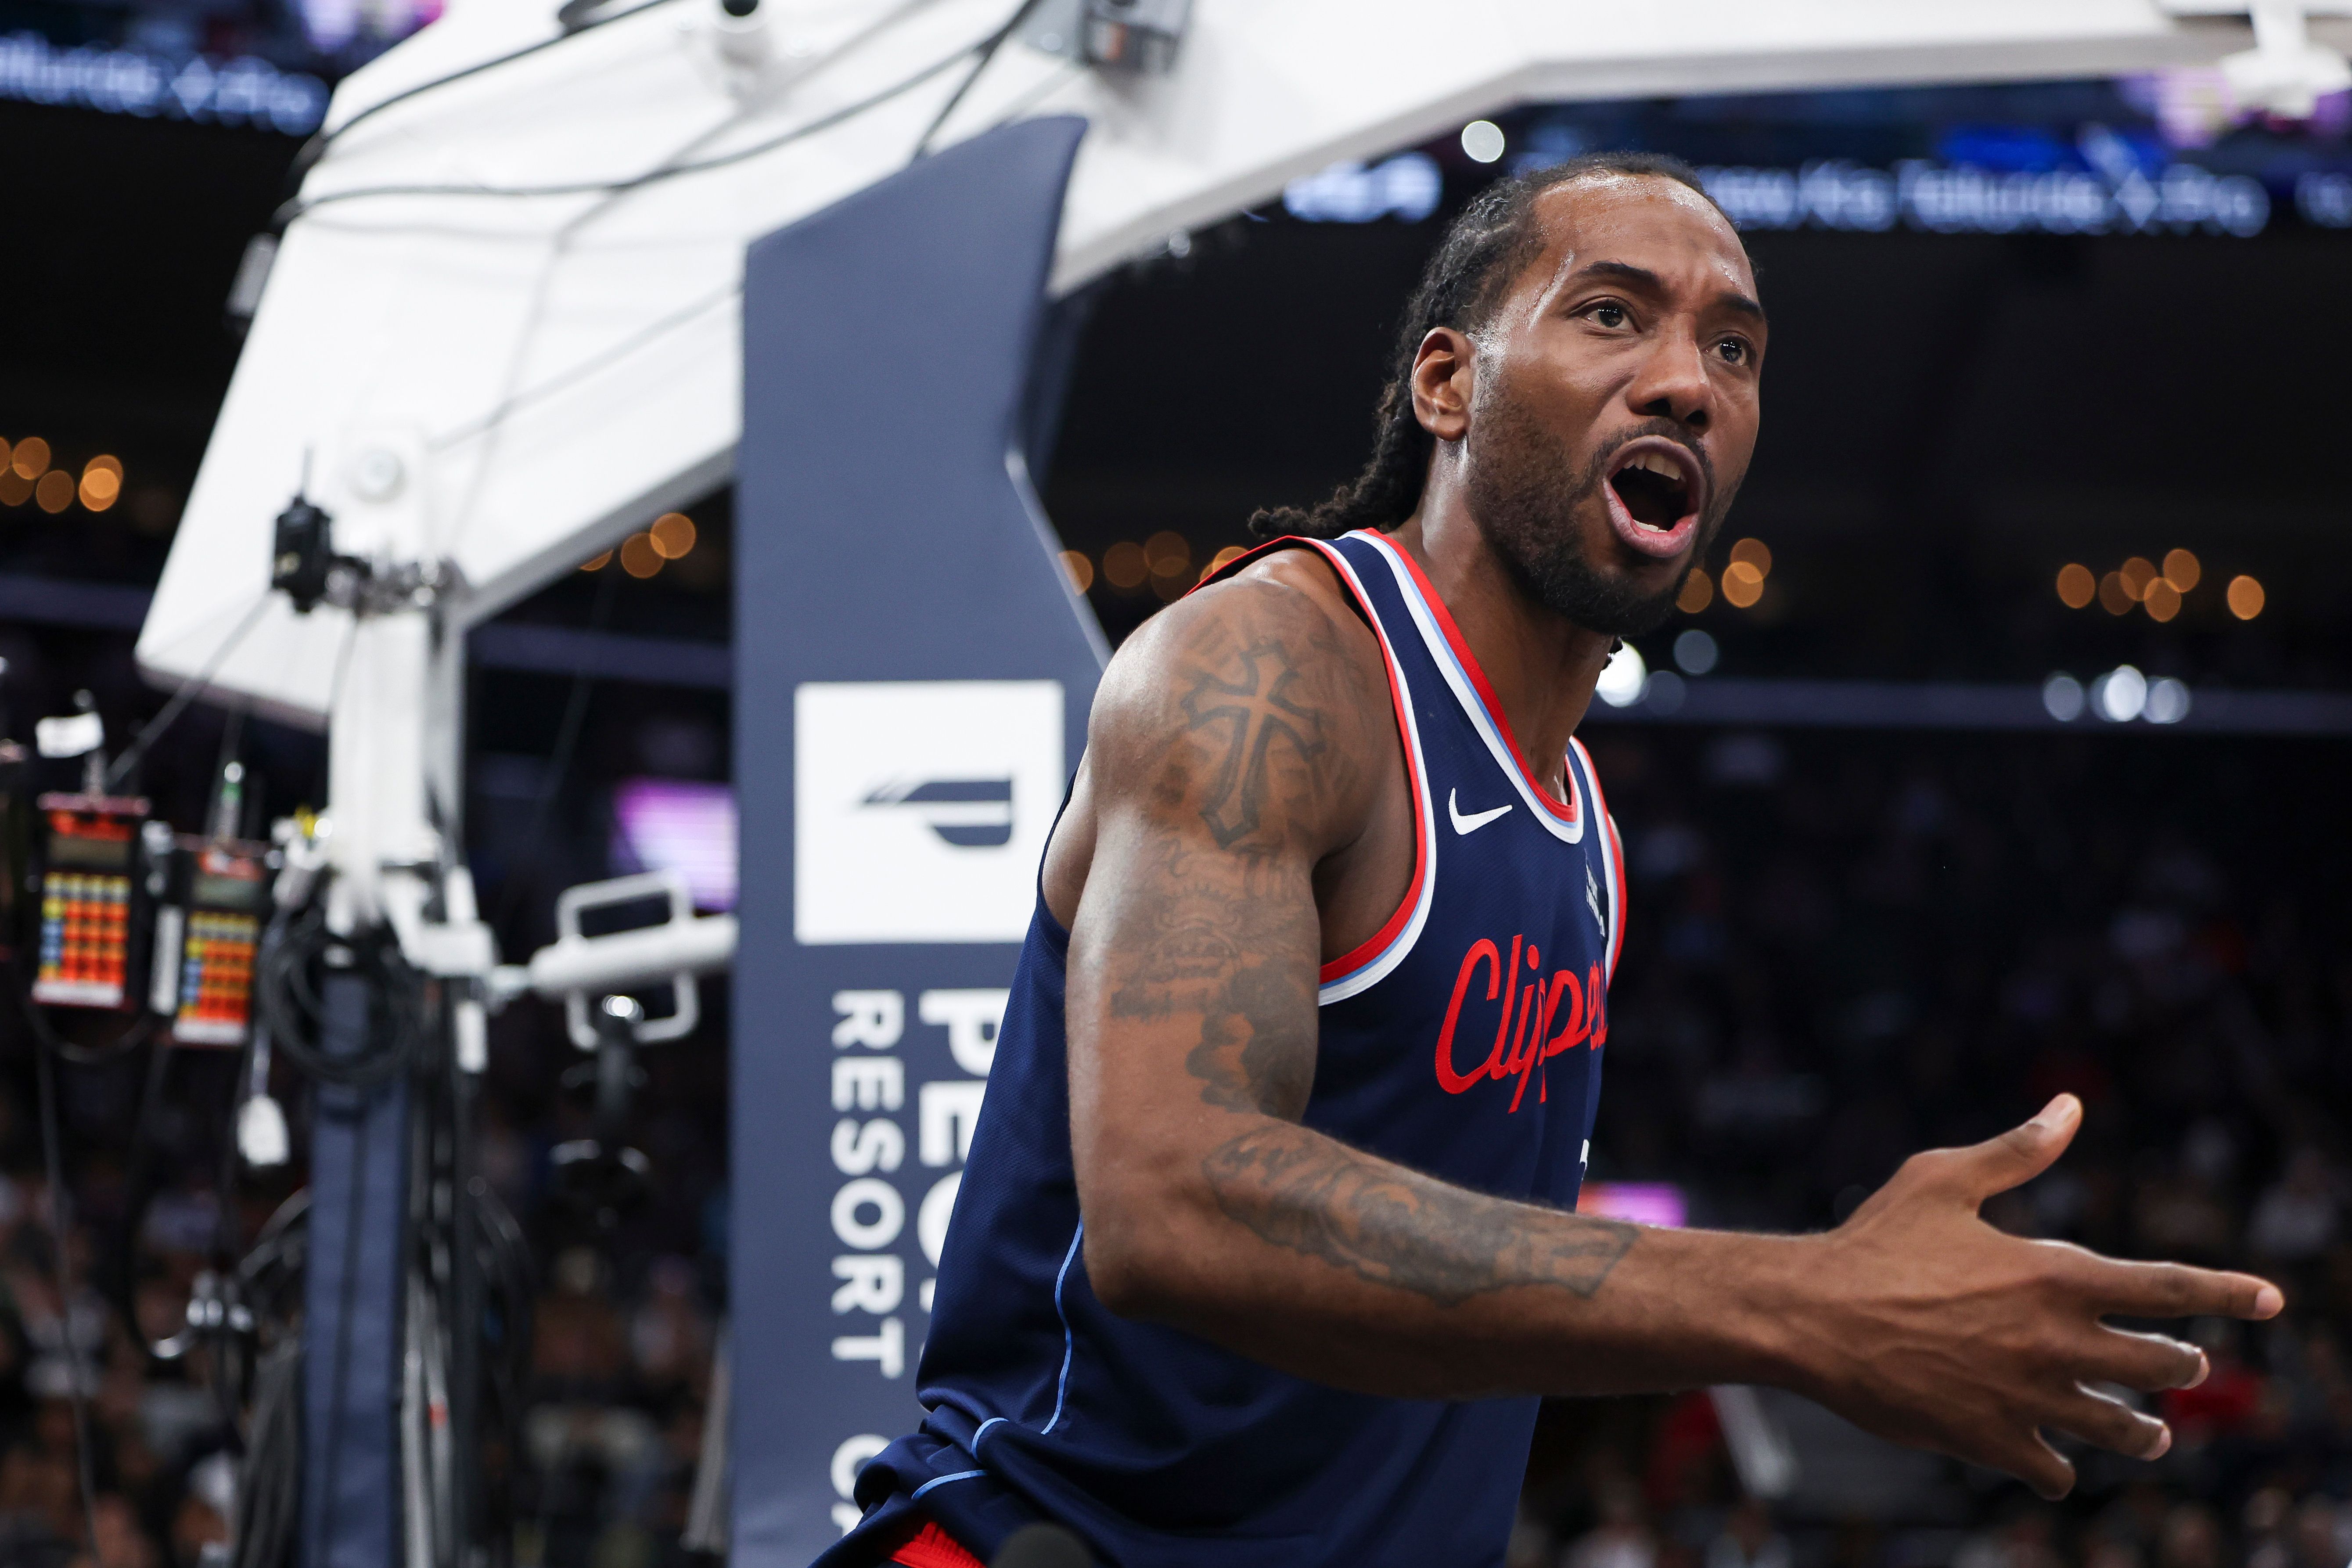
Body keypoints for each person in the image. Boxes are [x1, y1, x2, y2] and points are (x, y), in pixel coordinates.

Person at [816, 152, 2284, 1568]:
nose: (1686, 380)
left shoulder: (1582, 827)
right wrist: (1807, 1299)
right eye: (1612, 313)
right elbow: (1174, 1205)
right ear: (1446, 385)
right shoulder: (1270, 670)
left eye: (1734, 348)